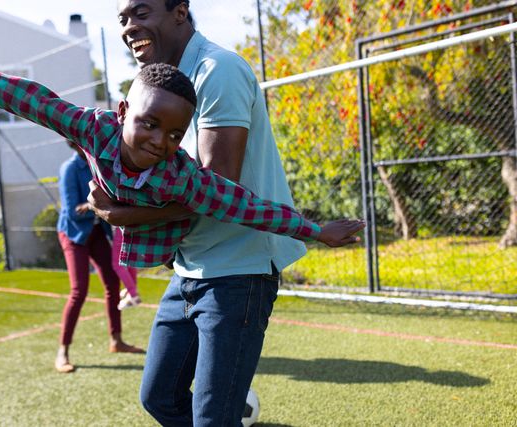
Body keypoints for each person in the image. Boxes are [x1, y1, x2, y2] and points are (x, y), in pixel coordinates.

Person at [0, 45, 364, 423]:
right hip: (183, 273)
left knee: (212, 416)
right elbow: (31, 99)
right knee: (157, 398)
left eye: (174, 134)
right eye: (149, 123)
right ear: (123, 111)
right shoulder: (92, 128)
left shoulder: (181, 176)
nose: (159, 141)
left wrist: (315, 230)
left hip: (229, 274)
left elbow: (246, 205)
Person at [94, 0, 360, 424]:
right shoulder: (151, 84)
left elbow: (219, 187)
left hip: (239, 269)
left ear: (180, 12)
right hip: (190, 268)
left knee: (212, 417)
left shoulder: (219, 70)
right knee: (160, 398)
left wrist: (124, 217)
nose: (129, 27)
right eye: (123, 19)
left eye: (141, 13)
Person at [55, 139, 145, 374]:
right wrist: (98, 206)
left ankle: (116, 340)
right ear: (74, 145)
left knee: (112, 283)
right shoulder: (70, 169)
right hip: (74, 234)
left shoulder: (100, 165)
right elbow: (73, 212)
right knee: (79, 290)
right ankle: (63, 351)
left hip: (95, 231)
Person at [111, 225, 142, 310]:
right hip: (130, 225)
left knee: (117, 264)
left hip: (121, 226)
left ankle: (133, 295)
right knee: (129, 259)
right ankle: (132, 291)